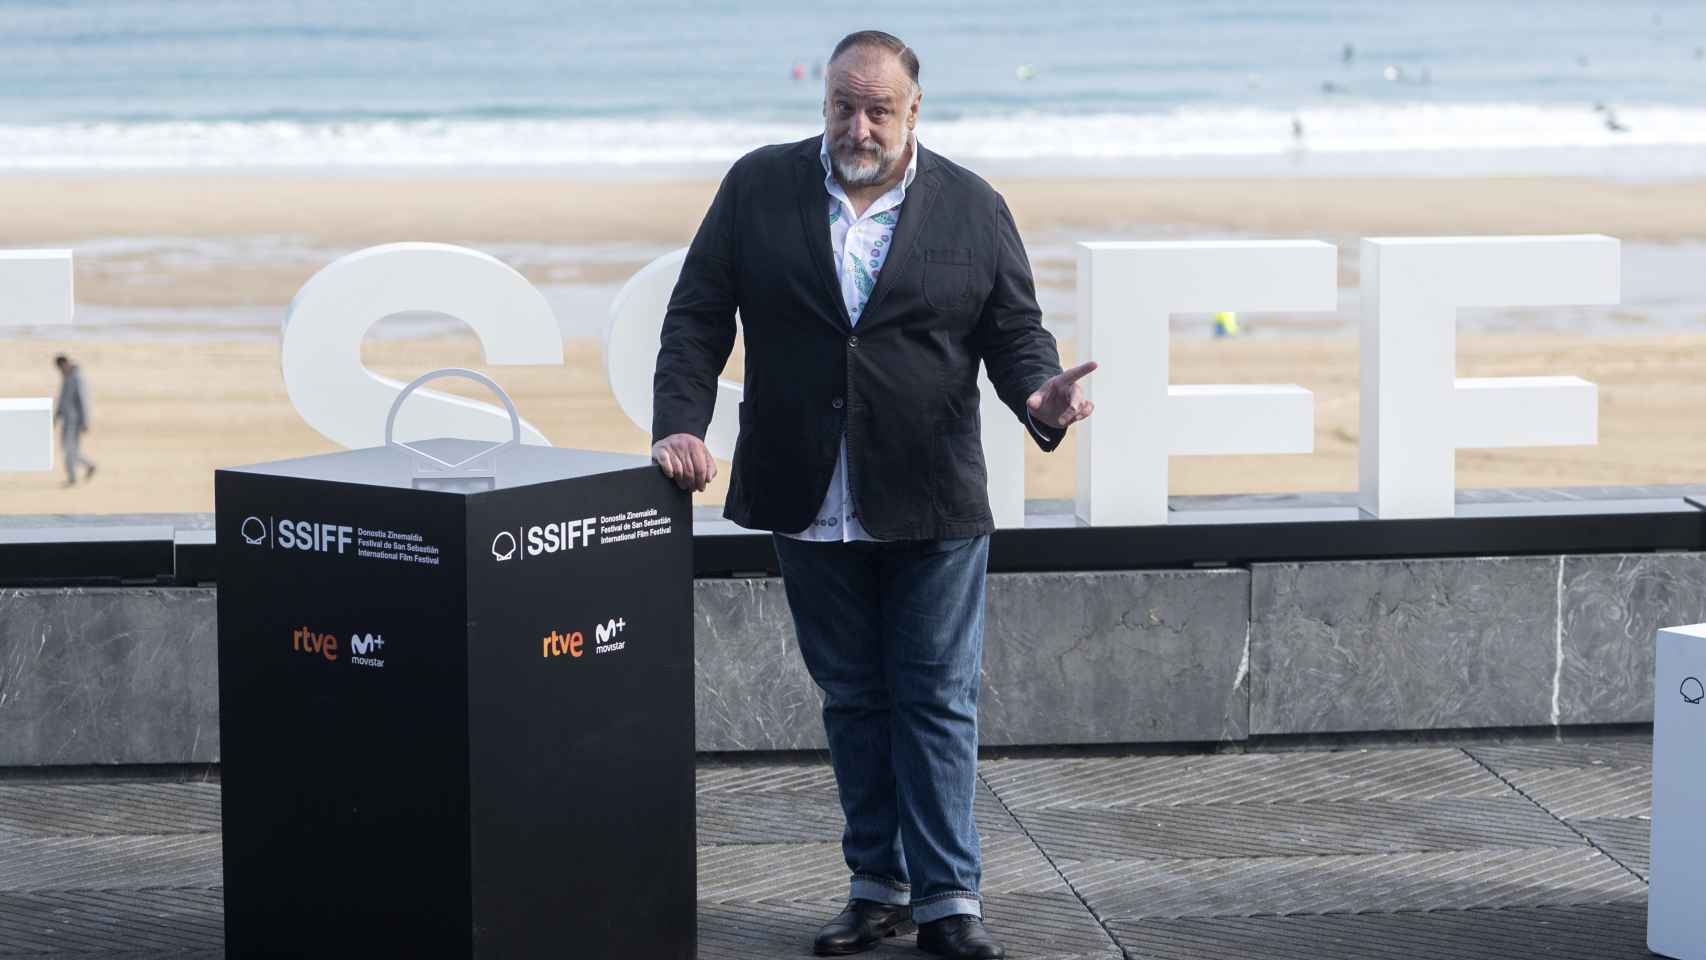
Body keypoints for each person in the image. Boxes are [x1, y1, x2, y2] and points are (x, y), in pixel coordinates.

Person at [651, 29, 1094, 960]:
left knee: (935, 696)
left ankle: (948, 905)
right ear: (823, 103)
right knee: (852, 696)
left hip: (930, 494)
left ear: (914, 110)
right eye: (844, 107)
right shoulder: (756, 187)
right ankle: (876, 889)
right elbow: (697, 316)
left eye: (879, 110)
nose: (860, 126)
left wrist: (1040, 396)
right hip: (805, 489)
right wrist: (681, 423)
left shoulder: (973, 207)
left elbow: (1016, 331)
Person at [52, 354, 97, 487]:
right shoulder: (67, 376)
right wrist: (56, 416)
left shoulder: (77, 377)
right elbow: (63, 399)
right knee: (69, 449)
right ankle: (88, 466)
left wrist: (85, 422)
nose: (60, 371)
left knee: (69, 449)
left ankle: (73, 477)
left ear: (65, 363)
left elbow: (83, 401)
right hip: (66, 420)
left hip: (75, 421)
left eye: (60, 367)